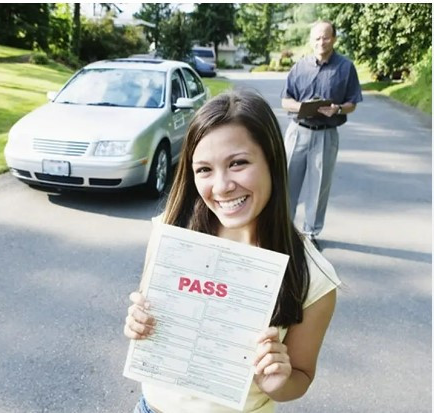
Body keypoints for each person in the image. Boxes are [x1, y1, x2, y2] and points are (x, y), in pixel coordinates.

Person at [123, 90, 340, 413]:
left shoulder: (313, 276)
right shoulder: (171, 233)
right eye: (204, 170)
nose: (222, 186)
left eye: (238, 163)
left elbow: (301, 376)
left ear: (272, 160)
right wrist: (138, 323)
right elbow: (148, 313)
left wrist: (279, 382)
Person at [281, 21, 363, 249]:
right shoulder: (299, 67)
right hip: (297, 132)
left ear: (334, 39)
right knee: (287, 181)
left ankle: (310, 234)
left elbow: (352, 104)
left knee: (319, 186)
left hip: (326, 134)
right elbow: (285, 100)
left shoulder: (346, 68)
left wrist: (337, 108)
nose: (321, 42)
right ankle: (284, 228)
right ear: (310, 40)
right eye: (316, 38)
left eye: (325, 37)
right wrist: (301, 107)